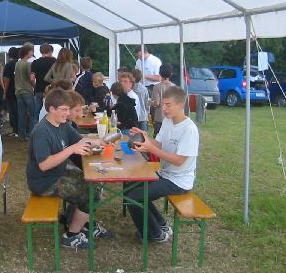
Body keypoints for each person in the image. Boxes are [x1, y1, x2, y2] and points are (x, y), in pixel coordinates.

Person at [26, 89, 113, 249]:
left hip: (57, 173)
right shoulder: (41, 131)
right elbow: (44, 165)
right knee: (91, 192)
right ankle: (71, 236)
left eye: (68, 109)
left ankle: (85, 224)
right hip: (44, 182)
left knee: (92, 182)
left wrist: (101, 142)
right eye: (64, 110)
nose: (67, 114)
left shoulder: (62, 125)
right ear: (51, 109)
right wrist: (71, 149)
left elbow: (81, 140)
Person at [127, 86, 199, 242]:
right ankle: (161, 224)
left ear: (180, 105)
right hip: (165, 174)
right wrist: (145, 138)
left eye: (168, 105)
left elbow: (179, 161)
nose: (164, 109)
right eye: (163, 105)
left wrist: (151, 148)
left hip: (179, 181)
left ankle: (155, 234)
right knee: (130, 186)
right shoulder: (168, 121)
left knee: (134, 197)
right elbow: (158, 144)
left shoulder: (189, 129)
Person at [15, 44, 36, 140]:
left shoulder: (17, 63)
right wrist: (34, 86)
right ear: (27, 52)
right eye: (31, 51)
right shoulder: (27, 64)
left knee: (21, 115)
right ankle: (31, 134)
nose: (32, 52)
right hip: (27, 91)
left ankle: (21, 135)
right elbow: (31, 79)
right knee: (33, 114)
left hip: (18, 91)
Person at [31, 43, 55, 120]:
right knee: (53, 110)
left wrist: (34, 86)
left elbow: (32, 78)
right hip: (52, 90)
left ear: (41, 51)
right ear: (50, 50)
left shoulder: (35, 62)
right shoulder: (55, 61)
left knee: (36, 112)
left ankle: (34, 129)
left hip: (38, 89)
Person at [151, 63, 175, 137]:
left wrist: (149, 102)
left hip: (160, 118)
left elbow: (156, 103)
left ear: (160, 74)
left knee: (158, 138)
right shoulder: (174, 87)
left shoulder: (157, 87)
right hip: (171, 117)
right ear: (171, 74)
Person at [3, 47, 19, 136]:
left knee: (13, 112)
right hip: (19, 91)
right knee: (19, 112)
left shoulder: (9, 64)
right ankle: (19, 130)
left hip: (10, 92)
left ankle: (15, 130)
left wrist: (5, 92)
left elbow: (7, 79)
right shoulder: (19, 63)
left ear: (9, 55)